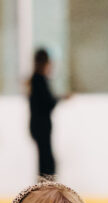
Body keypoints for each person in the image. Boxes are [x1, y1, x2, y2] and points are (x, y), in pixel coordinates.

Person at [29, 48, 65, 181]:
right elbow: (47, 102)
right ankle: (46, 187)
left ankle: (45, 186)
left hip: (39, 125)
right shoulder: (39, 80)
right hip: (41, 126)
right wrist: (59, 98)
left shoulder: (36, 80)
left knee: (45, 158)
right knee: (46, 160)